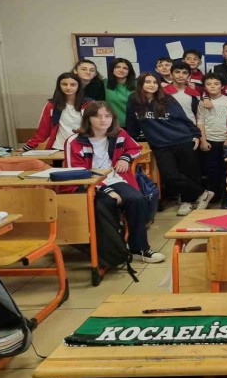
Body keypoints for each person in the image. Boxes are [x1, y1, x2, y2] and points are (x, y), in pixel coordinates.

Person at [65, 101, 165, 263]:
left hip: (114, 178)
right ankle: (115, 248)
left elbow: (135, 148)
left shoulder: (118, 133)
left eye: (107, 116)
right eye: (97, 116)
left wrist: (125, 158)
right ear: (88, 119)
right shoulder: (74, 141)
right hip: (88, 184)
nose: (103, 120)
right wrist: (106, 190)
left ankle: (140, 248)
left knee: (137, 199)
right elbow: (77, 174)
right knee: (107, 203)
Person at [126, 73, 213, 216]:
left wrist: (196, 134)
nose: (151, 85)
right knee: (170, 176)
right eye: (147, 82)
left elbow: (183, 119)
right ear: (140, 83)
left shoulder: (167, 99)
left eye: (155, 82)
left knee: (189, 173)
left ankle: (188, 202)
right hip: (159, 144)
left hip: (182, 139)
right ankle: (203, 193)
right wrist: (130, 142)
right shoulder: (134, 100)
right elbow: (132, 123)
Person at [24, 72, 92, 151]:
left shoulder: (89, 105)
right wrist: (27, 147)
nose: (68, 87)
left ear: (78, 86)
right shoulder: (51, 105)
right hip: (59, 147)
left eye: (73, 85)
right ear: (59, 86)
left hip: (83, 148)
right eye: (64, 84)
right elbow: (43, 130)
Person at [197, 72, 227, 206]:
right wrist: (203, 140)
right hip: (210, 140)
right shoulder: (202, 102)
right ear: (204, 87)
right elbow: (200, 122)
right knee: (212, 170)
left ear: (222, 86)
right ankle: (214, 197)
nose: (212, 86)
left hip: (226, 140)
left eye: (216, 84)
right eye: (209, 84)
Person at [163, 60, 200, 125]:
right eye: (177, 72)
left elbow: (198, 115)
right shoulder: (163, 92)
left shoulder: (195, 93)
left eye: (184, 73)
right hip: (169, 128)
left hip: (190, 128)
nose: (181, 75)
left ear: (189, 76)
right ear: (171, 75)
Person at [103, 58, 136, 127]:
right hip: (112, 125)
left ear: (129, 71)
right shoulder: (104, 84)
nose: (121, 70)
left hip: (134, 124)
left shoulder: (137, 84)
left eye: (125, 68)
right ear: (112, 69)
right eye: (117, 67)